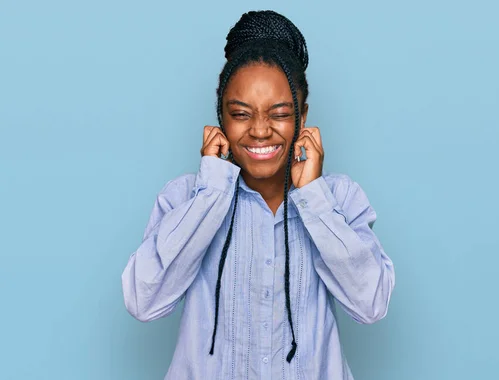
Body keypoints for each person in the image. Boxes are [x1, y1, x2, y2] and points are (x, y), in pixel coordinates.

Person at [121, 10, 395, 380]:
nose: (261, 130)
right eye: (241, 114)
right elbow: (143, 301)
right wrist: (212, 194)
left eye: (279, 113)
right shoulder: (186, 197)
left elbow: (372, 304)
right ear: (221, 117)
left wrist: (313, 198)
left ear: (303, 117)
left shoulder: (339, 200)